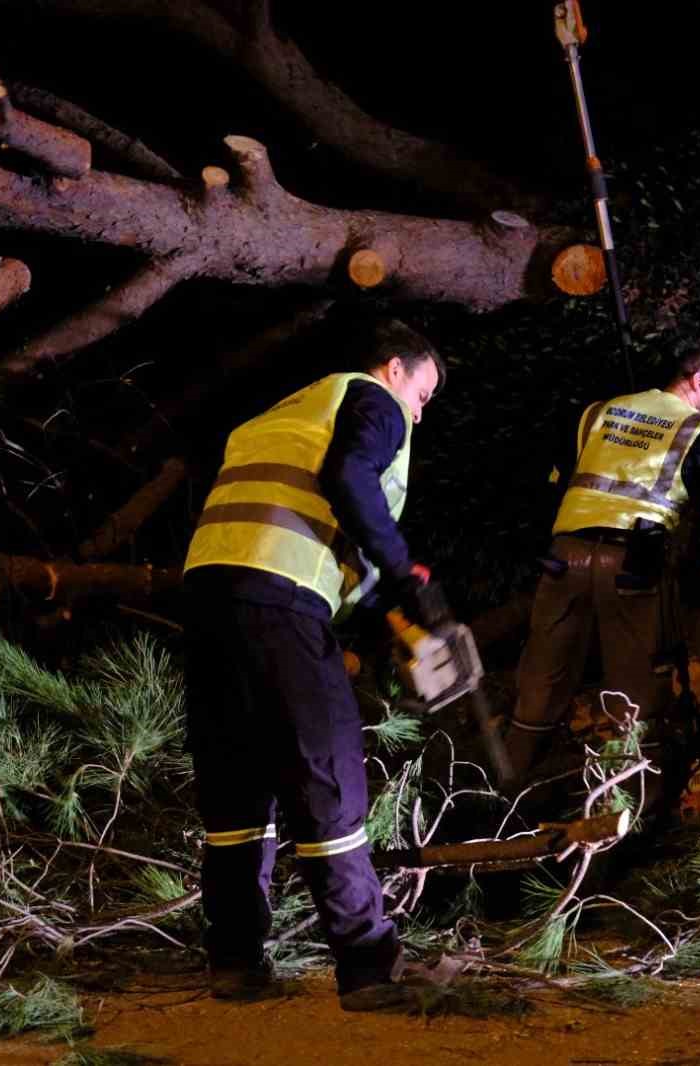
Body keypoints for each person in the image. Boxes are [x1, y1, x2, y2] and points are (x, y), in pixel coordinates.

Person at [180, 319, 445, 1011]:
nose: (419, 413)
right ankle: (367, 969)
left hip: (209, 597)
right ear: (395, 370)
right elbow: (349, 475)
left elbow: (303, 504)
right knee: (326, 773)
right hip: (279, 599)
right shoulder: (372, 400)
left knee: (234, 785)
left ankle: (235, 963)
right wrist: (401, 567)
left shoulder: (279, 416)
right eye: (424, 394)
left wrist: (374, 589)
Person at [503, 346, 700, 787]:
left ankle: (503, 782)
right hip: (633, 562)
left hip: (564, 554)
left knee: (544, 669)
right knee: (637, 683)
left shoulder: (599, 413)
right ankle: (626, 795)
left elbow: (557, 480)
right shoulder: (698, 432)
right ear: (698, 382)